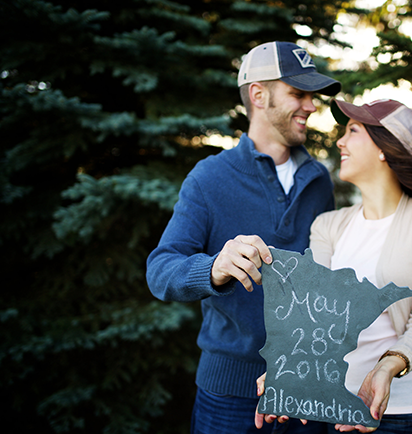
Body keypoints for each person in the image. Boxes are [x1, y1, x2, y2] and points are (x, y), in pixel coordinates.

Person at [146, 41, 341, 434]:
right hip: (229, 400)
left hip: (306, 390)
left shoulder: (320, 181)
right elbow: (160, 270)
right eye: (298, 94)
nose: (311, 106)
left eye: (313, 96)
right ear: (258, 94)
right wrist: (213, 268)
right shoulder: (209, 177)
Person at [256, 98, 412, 433]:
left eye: (353, 131)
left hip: (407, 414)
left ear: (385, 148)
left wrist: (387, 367)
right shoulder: (328, 225)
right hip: (338, 409)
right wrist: (288, 365)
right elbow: (314, 313)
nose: (340, 142)